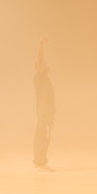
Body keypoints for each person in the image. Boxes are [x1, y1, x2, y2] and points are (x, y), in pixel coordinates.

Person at [33, 37, 56, 171]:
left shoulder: (45, 79)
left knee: (46, 136)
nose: (47, 64)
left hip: (47, 114)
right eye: (44, 64)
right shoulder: (39, 78)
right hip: (43, 114)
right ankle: (39, 160)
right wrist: (41, 45)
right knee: (42, 135)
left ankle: (41, 160)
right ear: (38, 68)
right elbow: (40, 60)